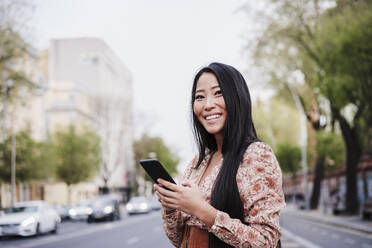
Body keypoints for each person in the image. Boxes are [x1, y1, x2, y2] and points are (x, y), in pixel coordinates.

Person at [154, 62, 285, 248]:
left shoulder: (256, 155)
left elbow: (265, 241)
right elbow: (179, 239)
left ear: (237, 98)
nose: (208, 105)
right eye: (200, 97)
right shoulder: (197, 164)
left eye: (218, 93)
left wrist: (200, 209)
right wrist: (170, 205)